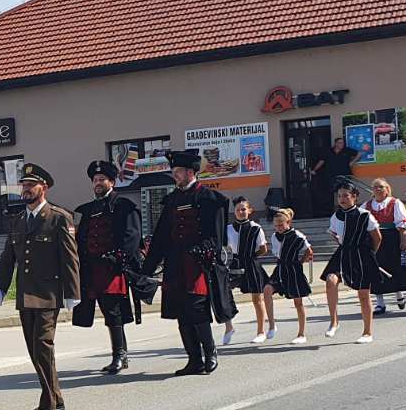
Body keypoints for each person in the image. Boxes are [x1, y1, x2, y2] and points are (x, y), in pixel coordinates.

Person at [0, 163, 80, 410]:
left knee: (42, 346)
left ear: (44, 188)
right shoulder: (18, 220)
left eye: (32, 185)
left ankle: (47, 402)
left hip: (48, 293)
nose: (26, 189)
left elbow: (70, 258)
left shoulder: (58, 217)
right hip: (25, 295)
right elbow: (8, 257)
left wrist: (72, 292)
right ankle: (57, 395)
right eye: (24, 185)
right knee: (35, 349)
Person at [142, 151, 234, 374]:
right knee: (181, 311)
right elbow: (161, 236)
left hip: (197, 264)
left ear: (191, 172)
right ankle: (194, 360)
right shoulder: (171, 200)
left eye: (179, 171)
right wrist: (148, 266)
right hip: (175, 264)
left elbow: (216, 236)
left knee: (197, 308)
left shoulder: (209, 198)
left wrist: (204, 250)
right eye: (174, 171)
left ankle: (210, 354)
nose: (175, 175)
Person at [71, 159, 143, 374]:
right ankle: (120, 354)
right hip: (92, 269)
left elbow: (132, 236)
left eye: (102, 179)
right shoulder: (88, 210)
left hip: (113, 268)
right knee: (103, 309)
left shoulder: (124, 206)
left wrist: (118, 257)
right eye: (95, 180)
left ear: (112, 182)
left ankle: (120, 355)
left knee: (114, 311)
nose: (98, 183)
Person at [319, 179, 382, 343]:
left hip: (361, 255)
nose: (342, 199)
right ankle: (334, 321)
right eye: (339, 196)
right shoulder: (336, 216)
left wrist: (370, 255)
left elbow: (377, 237)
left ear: (354, 196)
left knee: (363, 294)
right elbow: (334, 234)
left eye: (346, 195)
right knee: (330, 280)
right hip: (343, 253)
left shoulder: (364, 215)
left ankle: (367, 332)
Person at [263, 207, 313, 345]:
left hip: (293, 269)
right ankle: (272, 325)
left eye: (281, 225)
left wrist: (300, 262)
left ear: (288, 222)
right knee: (267, 290)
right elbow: (277, 253)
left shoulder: (297, 236)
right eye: (276, 225)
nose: (278, 228)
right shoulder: (274, 236)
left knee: (298, 302)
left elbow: (309, 251)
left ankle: (301, 333)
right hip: (280, 268)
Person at [366, 178, 406, 313]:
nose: (378, 189)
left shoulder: (395, 203)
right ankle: (380, 303)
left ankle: (399, 294)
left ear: (387, 189)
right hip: (374, 239)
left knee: (394, 268)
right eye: (375, 187)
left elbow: (402, 224)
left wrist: (403, 241)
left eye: (381, 187)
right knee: (376, 270)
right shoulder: (367, 205)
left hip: (391, 239)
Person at [226, 197, 271, 343]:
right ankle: (229, 327)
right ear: (234, 211)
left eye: (243, 209)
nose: (241, 212)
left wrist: (250, 256)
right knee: (223, 292)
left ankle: (261, 331)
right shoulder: (228, 228)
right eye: (238, 210)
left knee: (257, 299)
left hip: (251, 263)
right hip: (234, 263)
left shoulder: (256, 228)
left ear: (250, 210)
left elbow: (263, 249)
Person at [310, 136, 359, 216]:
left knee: (346, 192)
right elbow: (322, 161)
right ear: (335, 144)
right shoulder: (328, 151)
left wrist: (352, 162)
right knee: (331, 192)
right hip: (332, 176)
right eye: (340, 143)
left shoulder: (347, 150)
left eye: (343, 143)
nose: (342, 144)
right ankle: (330, 210)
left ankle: (348, 208)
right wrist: (314, 170)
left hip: (345, 175)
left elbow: (358, 154)